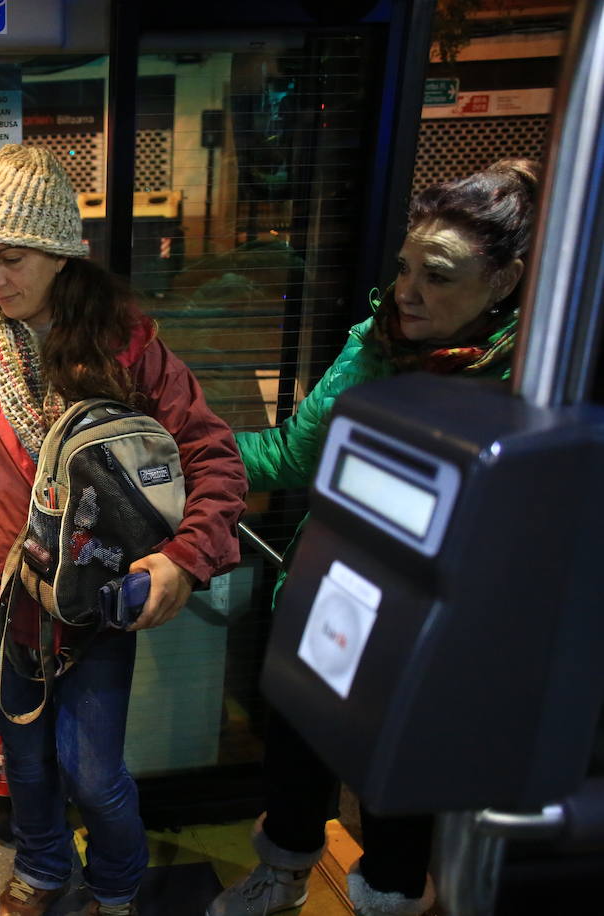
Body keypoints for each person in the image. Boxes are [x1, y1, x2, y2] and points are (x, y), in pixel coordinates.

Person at [0, 145, 248, 916]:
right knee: (26, 764)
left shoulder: (124, 341)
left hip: (95, 595)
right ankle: (43, 872)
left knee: (93, 772)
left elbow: (211, 454)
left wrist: (183, 559)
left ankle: (115, 886)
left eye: (11, 258)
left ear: (59, 253)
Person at [207, 158, 541, 916]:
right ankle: (283, 871)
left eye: (440, 274)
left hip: (436, 624)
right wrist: (189, 449)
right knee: (295, 743)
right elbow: (295, 455)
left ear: (506, 280)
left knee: (401, 779)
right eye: (405, 268)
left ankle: (388, 896)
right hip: (331, 590)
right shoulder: (376, 342)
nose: (409, 292)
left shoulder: (533, 377)